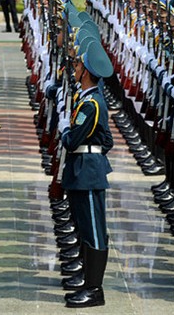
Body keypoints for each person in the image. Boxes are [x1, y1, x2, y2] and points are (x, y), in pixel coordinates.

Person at [58, 41, 114, 309]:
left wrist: (65, 131)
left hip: (88, 171)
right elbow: (108, 139)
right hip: (85, 168)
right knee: (84, 228)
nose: (75, 67)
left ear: (87, 72)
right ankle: (87, 279)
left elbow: (71, 140)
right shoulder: (88, 100)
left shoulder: (91, 104)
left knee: (93, 230)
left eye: (79, 65)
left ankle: (95, 289)